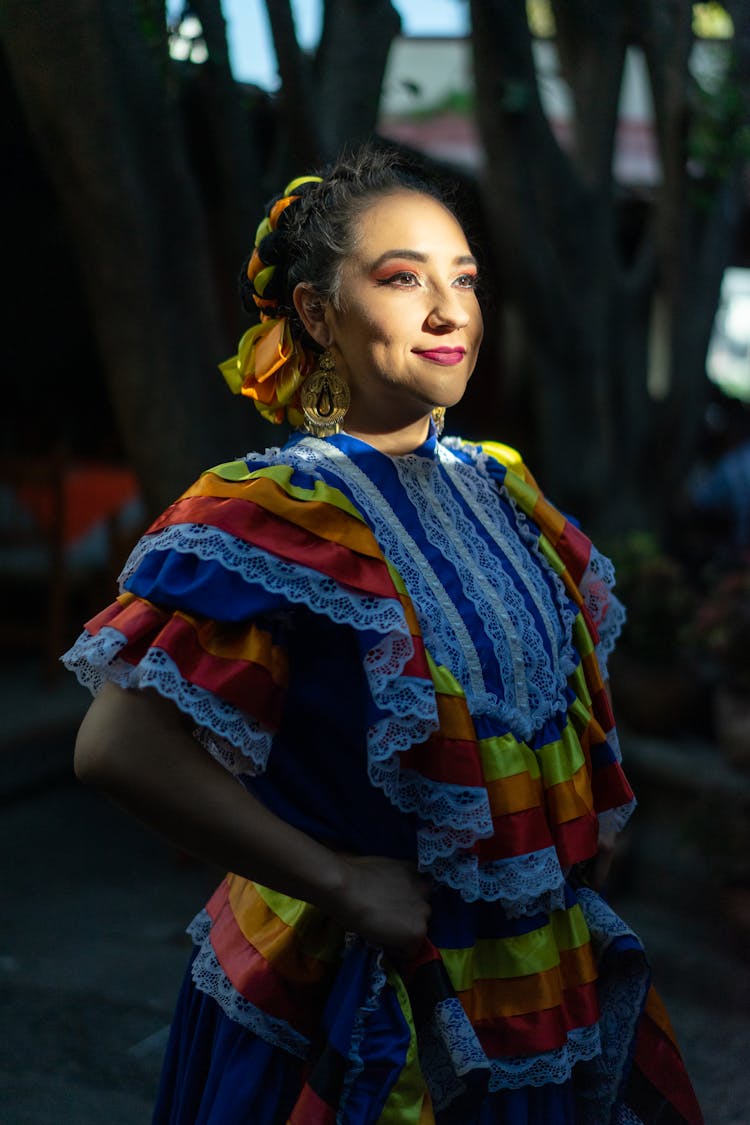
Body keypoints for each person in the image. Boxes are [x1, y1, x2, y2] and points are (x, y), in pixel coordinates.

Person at [64, 146, 703, 1125]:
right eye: (403, 279)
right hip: (356, 1008)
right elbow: (117, 747)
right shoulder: (271, 512)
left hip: (539, 996)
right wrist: (339, 881)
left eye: (465, 280)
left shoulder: (505, 490)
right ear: (318, 314)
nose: (450, 312)